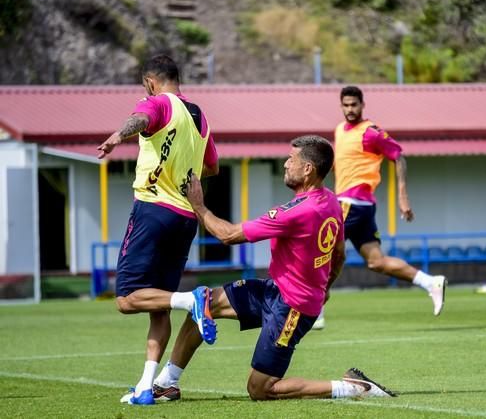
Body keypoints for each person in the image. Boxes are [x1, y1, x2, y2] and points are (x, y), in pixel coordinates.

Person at [151, 135, 395, 401]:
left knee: (260, 388)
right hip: (275, 291)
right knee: (202, 304)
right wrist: (325, 289)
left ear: (308, 169)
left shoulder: (296, 212)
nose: (286, 164)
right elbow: (338, 254)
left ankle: (354, 387)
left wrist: (198, 205)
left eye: (291, 159)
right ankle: (166, 384)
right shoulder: (331, 201)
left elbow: (229, 235)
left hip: (293, 307)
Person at [96, 54, 220, 405]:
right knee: (157, 307)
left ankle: (191, 300)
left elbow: (141, 118)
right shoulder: (200, 117)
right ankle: (146, 388)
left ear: (150, 82)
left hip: (152, 211)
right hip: (185, 219)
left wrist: (118, 135)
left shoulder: (158, 102)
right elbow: (211, 167)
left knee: (125, 299)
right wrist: (182, 167)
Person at [314, 85, 446, 330]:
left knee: (321, 250)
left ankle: (316, 309)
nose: (350, 109)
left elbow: (399, 156)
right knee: (376, 262)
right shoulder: (340, 130)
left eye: (354, 105)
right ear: (341, 106)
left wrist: (403, 197)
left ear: (363, 105)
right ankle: (431, 282)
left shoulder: (371, 132)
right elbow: (342, 163)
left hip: (351, 204)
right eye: (346, 105)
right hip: (358, 207)